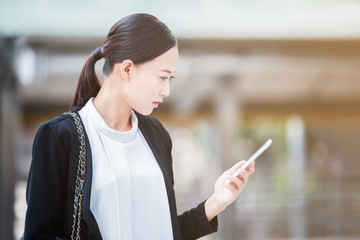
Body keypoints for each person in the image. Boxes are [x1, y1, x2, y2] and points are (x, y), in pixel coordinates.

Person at [23, 13, 255, 240]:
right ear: (127, 69)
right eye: (163, 77)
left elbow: (166, 229)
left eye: (170, 79)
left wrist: (217, 201)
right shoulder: (60, 137)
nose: (167, 91)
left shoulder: (156, 135)